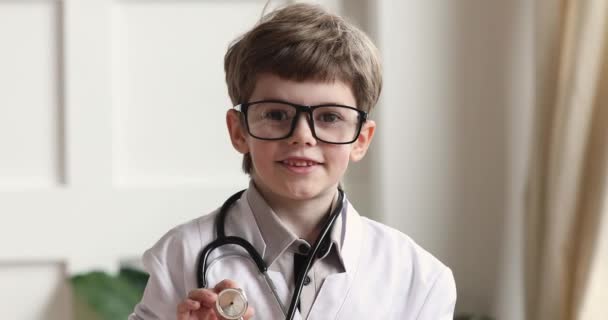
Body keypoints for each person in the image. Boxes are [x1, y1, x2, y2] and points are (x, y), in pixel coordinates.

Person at [130, 3, 456, 320]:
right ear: (239, 131)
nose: (302, 136)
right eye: (276, 114)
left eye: (329, 117)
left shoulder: (419, 278)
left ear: (361, 139)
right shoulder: (179, 256)